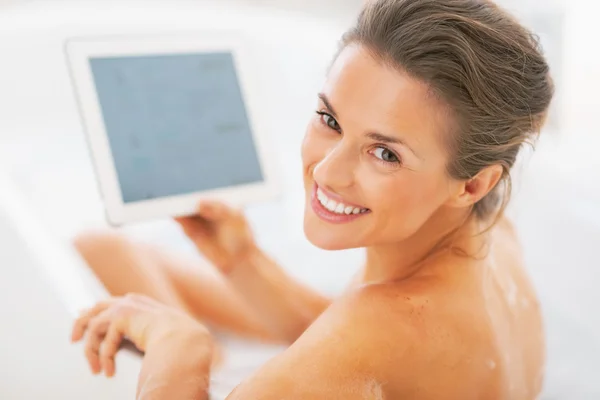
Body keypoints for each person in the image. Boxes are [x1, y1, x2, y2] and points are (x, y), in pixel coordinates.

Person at [70, 0, 554, 398]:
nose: (326, 171)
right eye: (330, 120)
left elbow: (364, 339)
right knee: (103, 248)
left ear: (473, 184)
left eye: (384, 153)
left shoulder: (378, 329)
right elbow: (361, 341)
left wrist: (180, 347)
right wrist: (241, 260)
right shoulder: (492, 239)